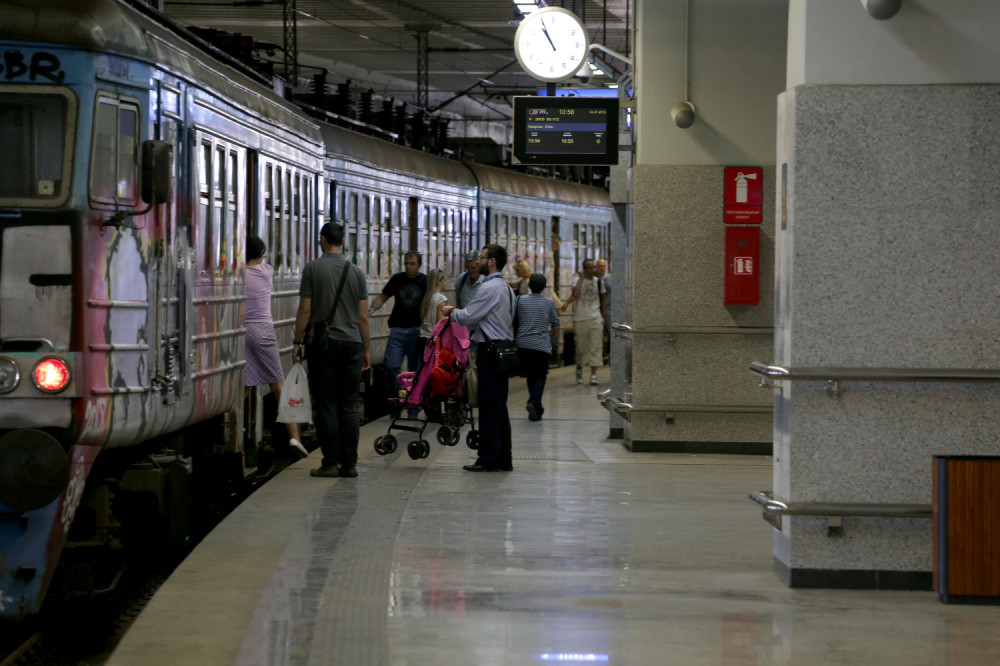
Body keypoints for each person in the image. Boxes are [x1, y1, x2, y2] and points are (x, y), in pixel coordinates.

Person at [292, 223, 370, 478]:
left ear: (322, 240)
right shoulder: (356, 272)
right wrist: (366, 349)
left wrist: (297, 342)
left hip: (323, 344)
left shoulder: (313, 268)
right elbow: (363, 317)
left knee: (326, 405)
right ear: (343, 241)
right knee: (349, 405)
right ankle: (350, 464)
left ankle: (330, 463)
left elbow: (305, 310)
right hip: (352, 345)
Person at [441, 244, 514, 472]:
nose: (478, 261)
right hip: (503, 350)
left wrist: (450, 311)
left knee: (489, 406)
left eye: (482, 258)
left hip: (490, 351)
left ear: (492, 261)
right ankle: (504, 458)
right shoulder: (506, 288)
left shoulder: (489, 288)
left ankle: (488, 459)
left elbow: (468, 316)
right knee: (499, 406)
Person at [244, 236, 307, 458]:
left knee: (246, 385)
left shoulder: (238, 275)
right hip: (263, 332)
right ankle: (294, 437)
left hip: (243, 332)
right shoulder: (266, 272)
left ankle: (236, 432)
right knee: (279, 385)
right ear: (262, 253)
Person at [368, 251, 426, 417]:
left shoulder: (424, 281)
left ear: (419, 264)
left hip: (416, 330)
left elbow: (432, 302)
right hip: (398, 329)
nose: (408, 266)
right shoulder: (397, 279)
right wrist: (373, 307)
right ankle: (402, 397)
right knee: (392, 365)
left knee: (414, 372)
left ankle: (412, 410)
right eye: (406, 263)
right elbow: (383, 296)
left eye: (412, 263)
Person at [515, 273, 561, 421]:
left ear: (529, 286)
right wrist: (552, 339)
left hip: (523, 344)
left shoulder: (520, 300)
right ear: (544, 287)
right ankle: (533, 402)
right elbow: (556, 325)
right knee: (540, 376)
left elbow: (514, 320)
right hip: (541, 345)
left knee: (530, 375)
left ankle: (536, 408)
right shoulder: (548, 303)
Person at [561, 258, 606, 385]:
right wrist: (581, 279)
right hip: (581, 318)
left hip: (595, 317)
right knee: (581, 348)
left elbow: (603, 300)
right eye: (589, 267)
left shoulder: (599, 282)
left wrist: (602, 317)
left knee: (596, 346)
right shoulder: (577, 280)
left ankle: (593, 375)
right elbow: (575, 293)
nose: (592, 269)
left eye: (593, 267)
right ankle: (580, 367)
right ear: (584, 269)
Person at [418, 268, 448, 355]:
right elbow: (441, 324)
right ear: (439, 281)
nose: (446, 283)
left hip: (422, 340)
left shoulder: (426, 298)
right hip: (434, 342)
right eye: (444, 280)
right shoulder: (441, 299)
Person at [595, 257, 612, 362]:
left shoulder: (609, 278)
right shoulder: (593, 279)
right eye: (600, 266)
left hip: (609, 308)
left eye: (604, 266)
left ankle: (608, 353)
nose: (602, 268)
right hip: (596, 308)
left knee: (609, 331)